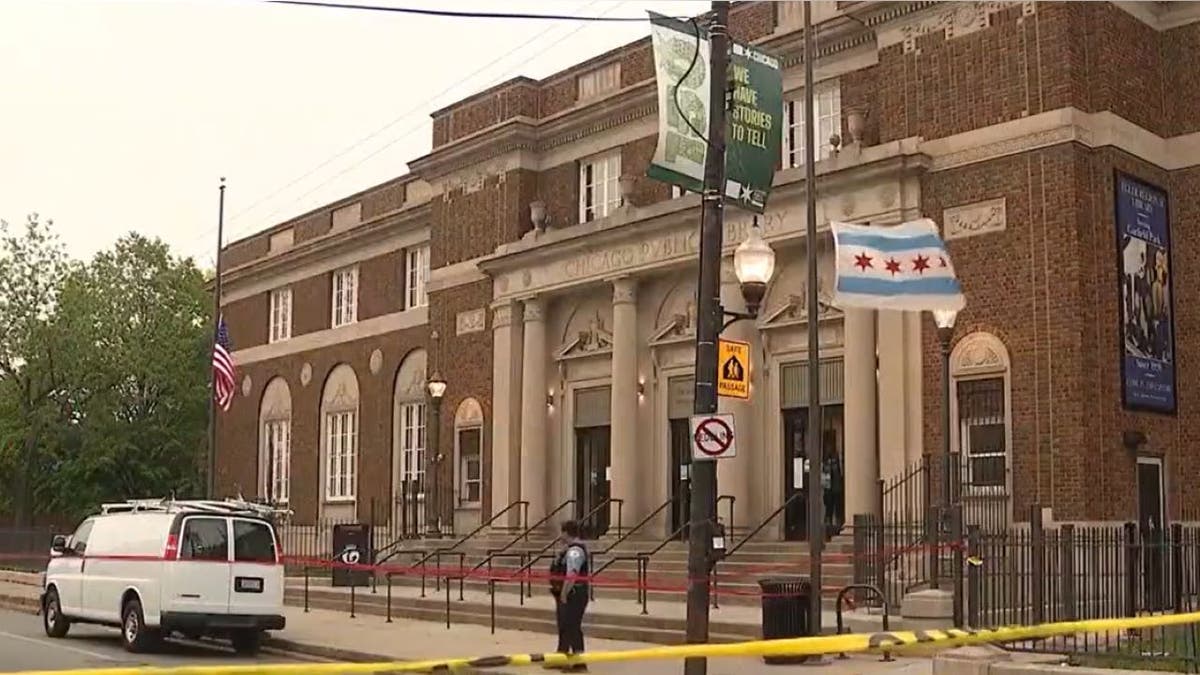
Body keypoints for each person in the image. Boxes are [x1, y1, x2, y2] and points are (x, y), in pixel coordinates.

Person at [548, 519, 589, 672]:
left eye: (562, 532)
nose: (560, 535)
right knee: (564, 625)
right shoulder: (568, 549)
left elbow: (572, 574)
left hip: (574, 593)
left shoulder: (575, 551)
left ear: (566, 532)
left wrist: (564, 592)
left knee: (572, 626)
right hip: (567, 592)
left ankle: (580, 662)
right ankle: (561, 656)